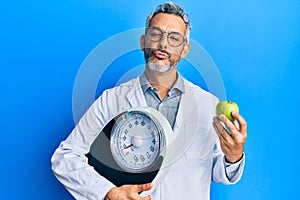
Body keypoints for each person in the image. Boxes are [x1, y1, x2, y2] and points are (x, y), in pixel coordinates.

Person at [51, 2, 247, 200]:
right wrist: (107, 193)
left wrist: (234, 155)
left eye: (174, 38)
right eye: (156, 34)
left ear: (185, 50)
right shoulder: (111, 100)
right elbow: (65, 157)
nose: (163, 44)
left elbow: (220, 174)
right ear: (143, 41)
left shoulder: (207, 104)